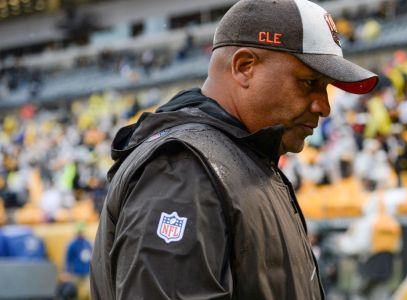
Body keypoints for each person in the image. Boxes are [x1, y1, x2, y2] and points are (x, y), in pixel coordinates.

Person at [90, 0, 378, 299]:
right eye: (309, 83)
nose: (324, 106)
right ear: (244, 68)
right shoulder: (185, 167)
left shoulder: (239, 158)